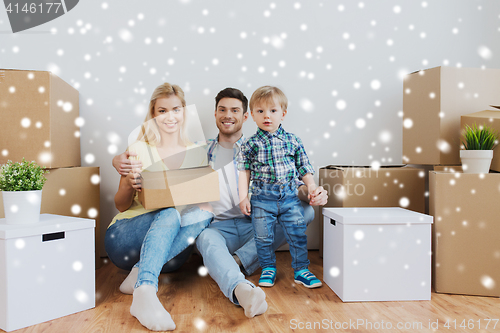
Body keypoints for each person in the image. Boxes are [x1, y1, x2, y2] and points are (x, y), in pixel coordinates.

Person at [112, 87, 328, 319]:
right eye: (222, 110)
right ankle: (240, 288)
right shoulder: (198, 151)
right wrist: (119, 160)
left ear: (246, 116)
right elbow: (165, 168)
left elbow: (291, 186)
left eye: (235, 110)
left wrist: (311, 193)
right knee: (205, 233)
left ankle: (238, 261)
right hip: (215, 227)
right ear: (214, 114)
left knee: (303, 211)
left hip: (254, 223)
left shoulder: (262, 147)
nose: (228, 115)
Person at [105, 83, 213, 331]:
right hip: (125, 237)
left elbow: (202, 203)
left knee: (206, 212)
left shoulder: (197, 153)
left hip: (171, 255)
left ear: (184, 112)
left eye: (175, 109)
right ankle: (145, 291)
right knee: (169, 211)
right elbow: (121, 205)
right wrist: (129, 186)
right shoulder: (138, 150)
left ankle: (139, 273)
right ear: (153, 114)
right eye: (162, 110)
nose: (169, 116)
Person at [238, 86, 322, 289]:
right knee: (263, 236)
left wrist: (311, 186)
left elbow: (304, 167)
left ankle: (301, 270)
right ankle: (268, 268)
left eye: (273, 111)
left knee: (297, 233)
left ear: (283, 114)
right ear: (251, 116)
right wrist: (243, 197)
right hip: (261, 198)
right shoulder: (249, 145)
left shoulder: (293, 141)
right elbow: (244, 172)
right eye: (260, 111)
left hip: (289, 197)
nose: (267, 116)